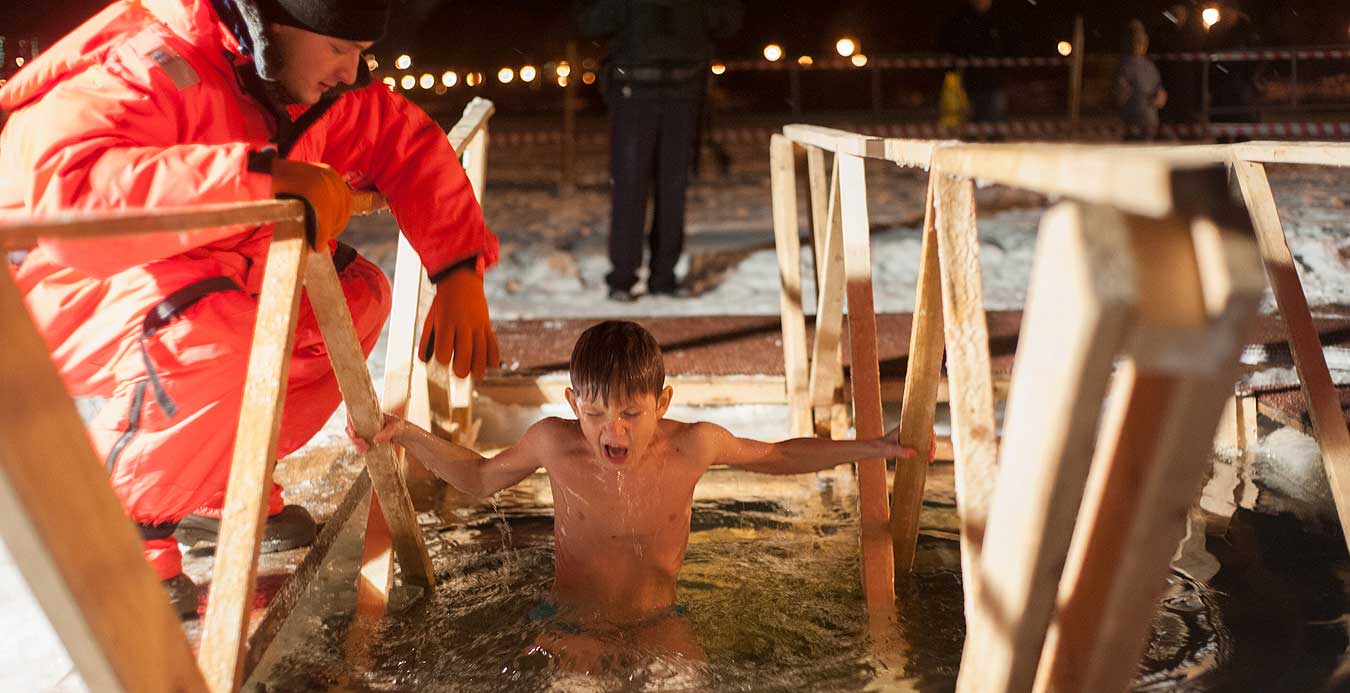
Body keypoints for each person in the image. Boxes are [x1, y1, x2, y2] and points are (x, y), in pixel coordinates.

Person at [0, 0, 500, 615]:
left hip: (206, 277)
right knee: (219, 334)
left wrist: (458, 270)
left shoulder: (304, 85)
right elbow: (69, 188)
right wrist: (262, 176)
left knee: (354, 299)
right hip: (61, 287)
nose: (350, 72)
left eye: (361, 53)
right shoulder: (151, 63)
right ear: (275, 24)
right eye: (339, 49)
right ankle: (117, 529)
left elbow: (406, 142)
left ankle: (219, 485)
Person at [350, 321, 927, 653]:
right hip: (570, 620)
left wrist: (872, 447)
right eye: (595, 413)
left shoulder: (693, 446)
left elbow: (778, 456)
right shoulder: (554, 443)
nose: (613, 430)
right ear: (573, 402)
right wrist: (407, 435)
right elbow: (478, 479)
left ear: (663, 403)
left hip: (660, 621)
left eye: (630, 412)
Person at [574, 0, 744, 302]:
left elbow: (727, 20)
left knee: (656, 187)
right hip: (648, 86)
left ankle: (646, 277)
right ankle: (636, 277)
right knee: (644, 186)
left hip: (666, 86)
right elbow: (591, 20)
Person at [940, 0, 1013, 127]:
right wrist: (953, 66)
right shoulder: (962, 18)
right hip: (971, 78)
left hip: (995, 79)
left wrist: (1005, 66)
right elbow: (948, 43)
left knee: (996, 117)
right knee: (972, 118)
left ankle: (994, 137)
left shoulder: (1000, 18)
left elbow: (1011, 43)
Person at [1115, 20, 1168, 141]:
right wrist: (1121, 93)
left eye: (1140, 41)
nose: (1137, 45)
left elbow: (1160, 91)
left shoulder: (1150, 67)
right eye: (1134, 41)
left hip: (1150, 123)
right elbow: (1118, 96)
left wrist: (1160, 97)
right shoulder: (1124, 66)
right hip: (1132, 123)